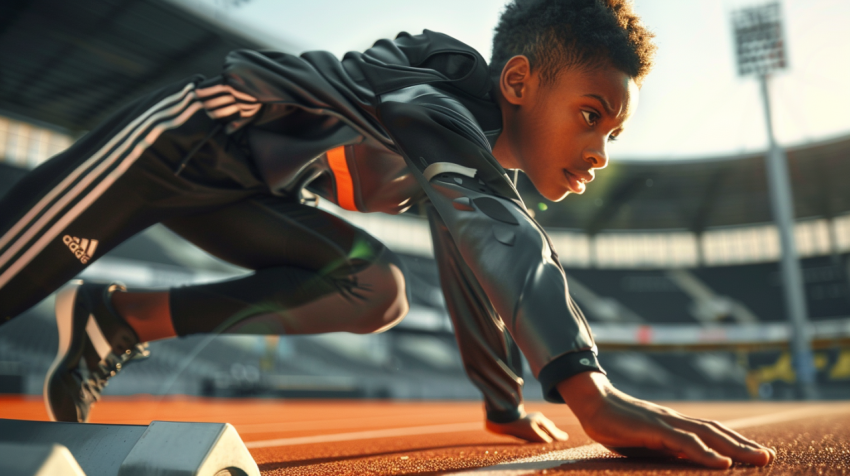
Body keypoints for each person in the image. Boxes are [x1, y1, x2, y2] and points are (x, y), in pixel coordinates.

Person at [0, 0, 774, 468]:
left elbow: (470, 253)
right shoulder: (432, 93)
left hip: (242, 194)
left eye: (615, 132)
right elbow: (496, 232)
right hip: (178, 141)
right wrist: (589, 391)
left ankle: (119, 319)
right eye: (591, 115)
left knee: (376, 288)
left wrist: (501, 403)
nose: (602, 150)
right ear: (517, 83)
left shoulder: (466, 163)